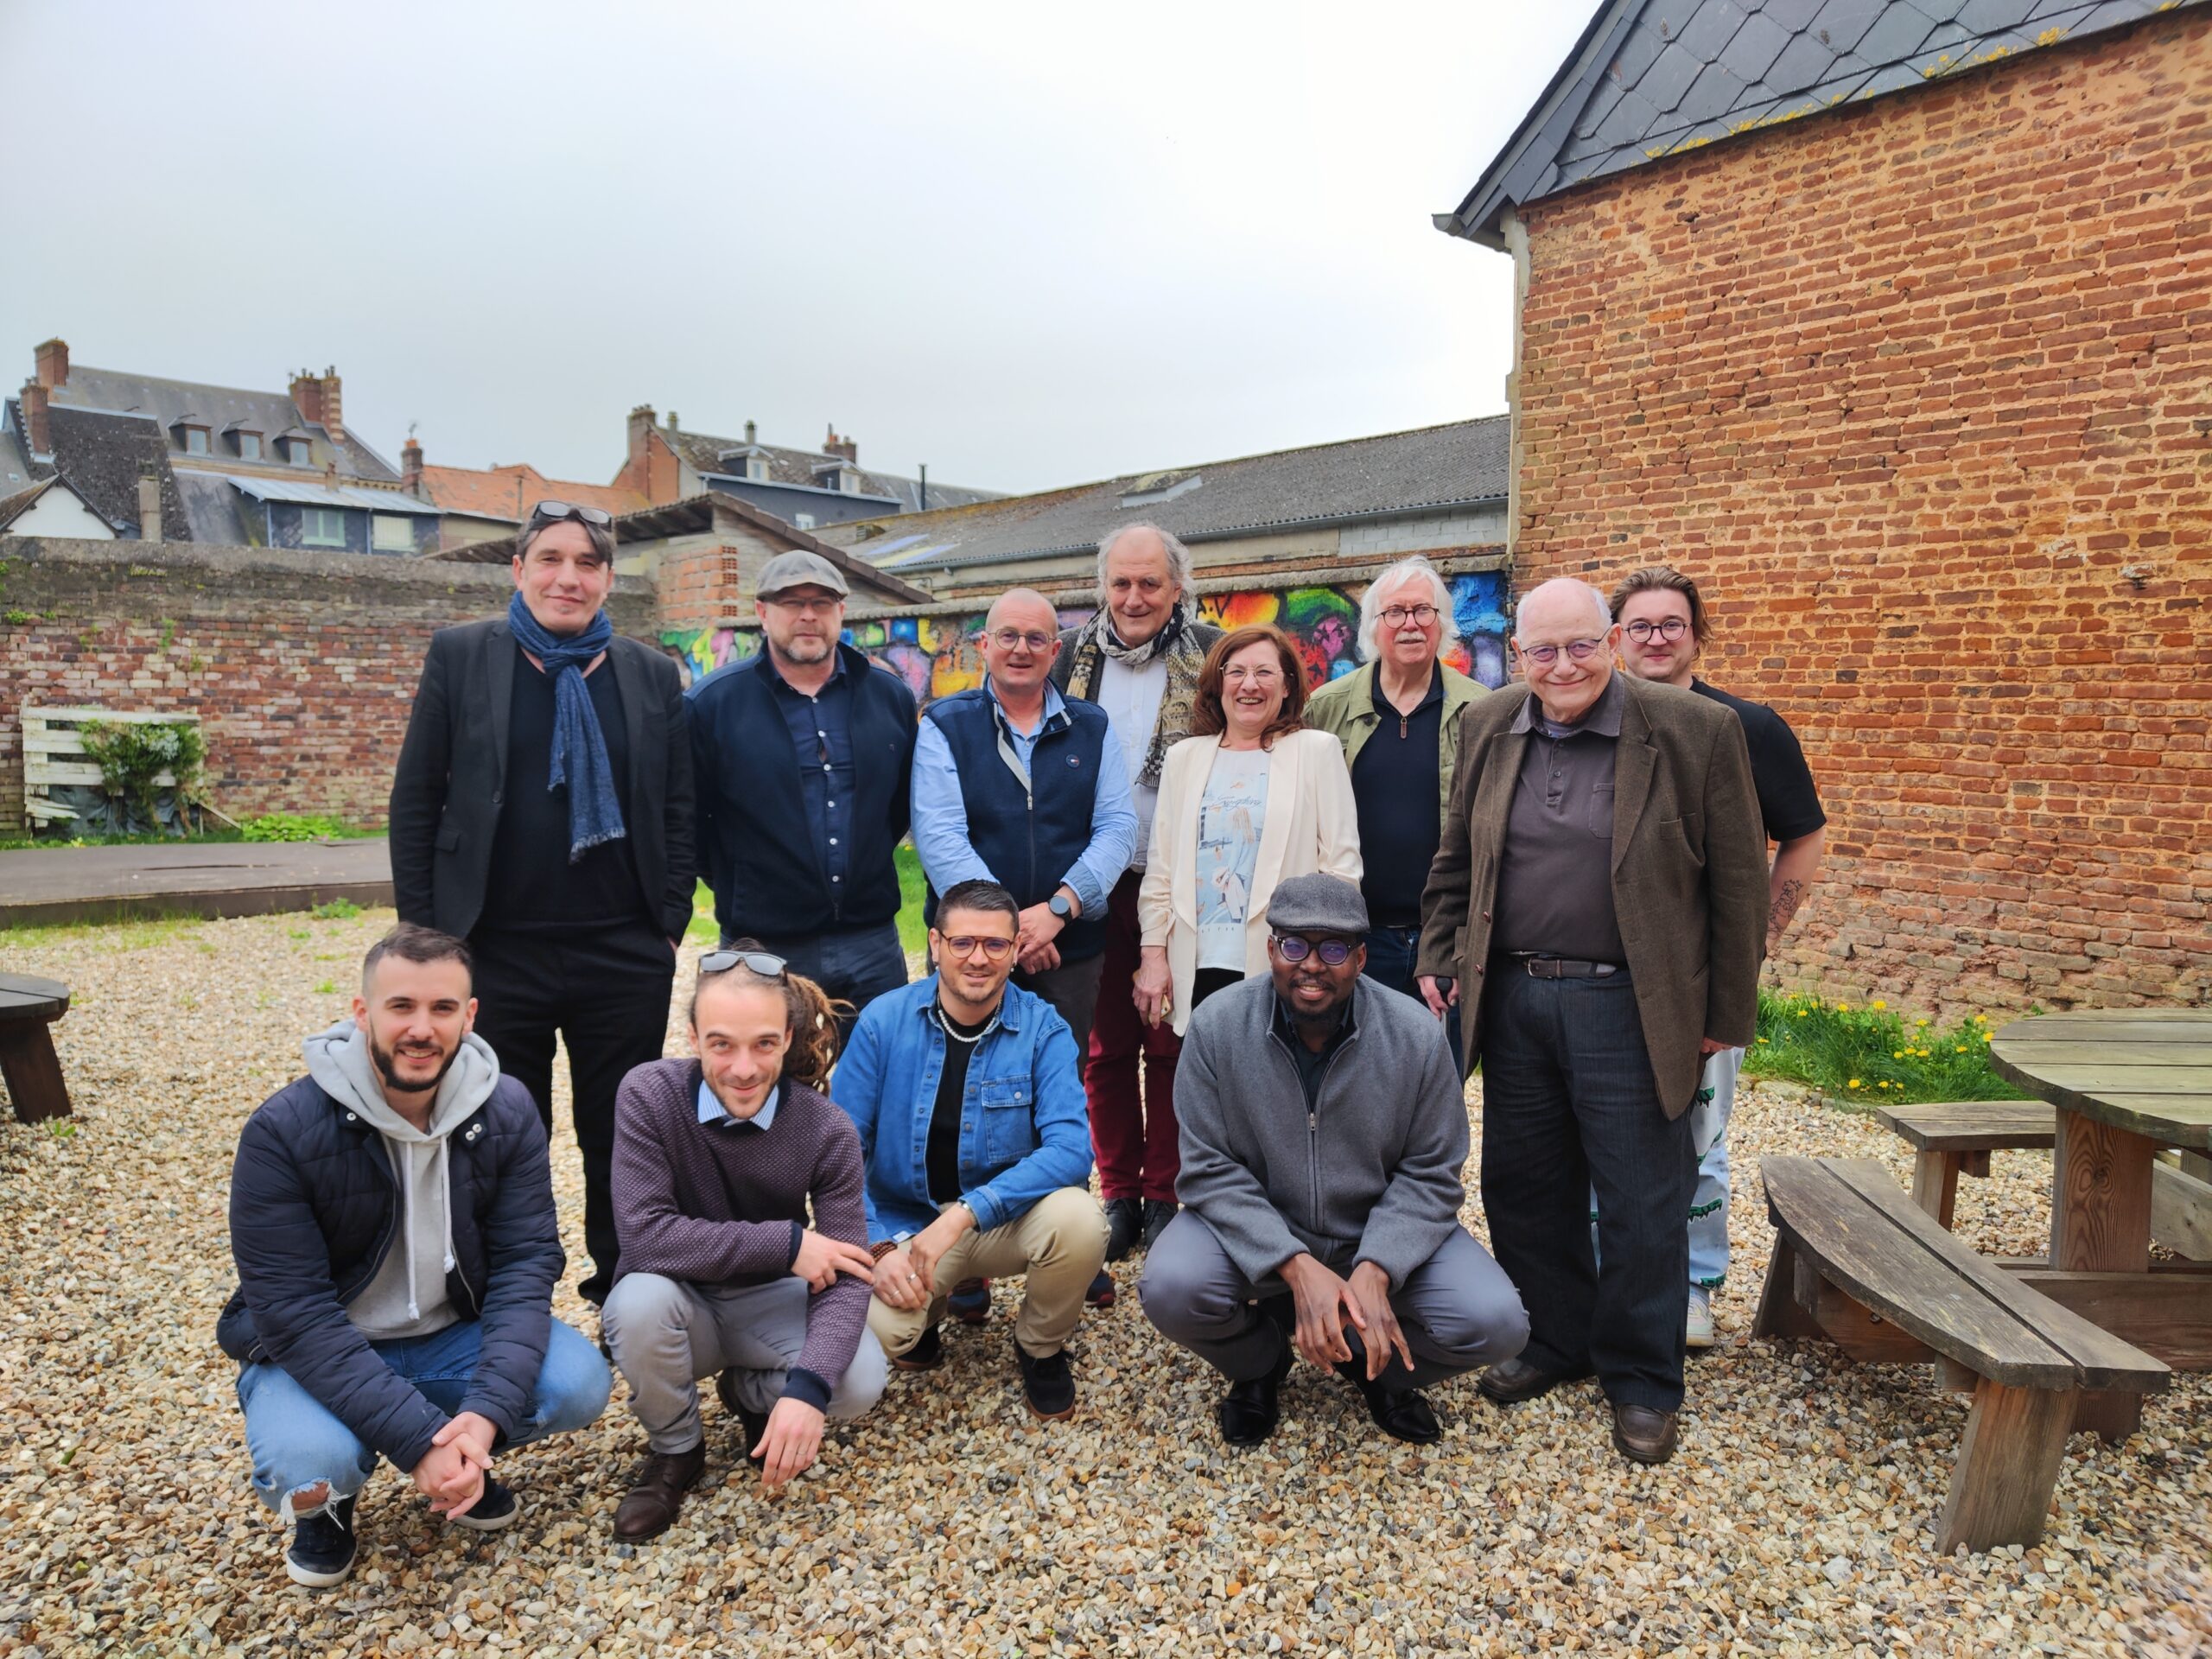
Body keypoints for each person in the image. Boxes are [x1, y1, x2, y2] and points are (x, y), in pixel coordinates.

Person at [1414, 578, 1766, 1465]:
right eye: (1541, 651)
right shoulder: (1489, 725)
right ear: (1517, 655)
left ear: (1610, 642)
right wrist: (1438, 953)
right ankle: (1554, 1340)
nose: (1561, 666)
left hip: (1632, 1001)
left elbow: (1738, 886)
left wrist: (1724, 1013)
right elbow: (1457, 855)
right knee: (1526, 1185)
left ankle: (1643, 1378)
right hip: (1516, 998)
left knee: (1645, 1197)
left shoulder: (1694, 732)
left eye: (1579, 647)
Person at [219, 925, 612, 1588]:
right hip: (317, 1348)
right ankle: (332, 1506)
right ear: (361, 1012)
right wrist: (416, 1441)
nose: (421, 1029)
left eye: (442, 1008)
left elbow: (524, 1265)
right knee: (310, 1462)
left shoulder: (507, 1109)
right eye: (400, 1006)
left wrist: (483, 1420)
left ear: (471, 1015)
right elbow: (294, 1314)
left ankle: (464, 1459)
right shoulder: (282, 1131)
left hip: (446, 1334)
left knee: (578, 1382)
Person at [389, 499, 695, 1306]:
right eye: (552, 559)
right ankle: (505, 1298)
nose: (569, 577)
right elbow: (417, 799)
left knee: (622, 1132)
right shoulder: (462, 656)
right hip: (494, 948)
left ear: (608, 579)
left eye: (588, 563)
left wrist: (668, 923)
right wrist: (428, 941)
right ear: (518, 570)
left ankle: (632, 1290)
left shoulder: (648, 671)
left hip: (621, 949)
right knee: (500, 1132)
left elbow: (677, 805)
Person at [1141, 874, 1528, 1446]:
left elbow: (1433, 1172)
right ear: (1271, 949)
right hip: (1262, 1233)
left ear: (1362, 956)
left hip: (1373, 1233)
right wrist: (1294, 1264)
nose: (1312, 965)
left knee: (1496, 1322)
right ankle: (1260, 1364)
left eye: (1334, 948)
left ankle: (1378, 1371)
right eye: (1295, 945)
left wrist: (1376, 1267)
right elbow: (1207, 1170)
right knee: (1171, 1285)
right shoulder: (1217, 1028)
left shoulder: (1415, 1037)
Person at [601, 947, 888, 1541]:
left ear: (787, 1038)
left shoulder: (825, 1128)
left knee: (858, 1380)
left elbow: (850, 1272)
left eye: (762, 1043)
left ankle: (750, 1391)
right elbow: (644, 1236)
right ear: (693, 1037)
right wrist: (786, 1245)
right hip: (679, 1300)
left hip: (765, 1301)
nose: (742, 1067)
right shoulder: (648, 1095)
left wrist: (808, 1391)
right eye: (721, 1044)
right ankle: (676, 1450)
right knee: (634, 1304)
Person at [1610, 564, 1826, 1348]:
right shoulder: (1588, 720)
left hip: (1699, 976)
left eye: (1672, 623)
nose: (1657, 638)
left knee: (1696, 1133)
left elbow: (1802, 835)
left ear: (1698, 633)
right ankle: (1610, 1279)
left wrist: (1759, 940)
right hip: (1602, 972)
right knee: (1600, 1132)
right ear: (1617, 638)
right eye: (1641, 625)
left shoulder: (1746, 727)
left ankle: (1693, 1287)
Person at [832, 880, 1109, 1421]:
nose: (977, 959)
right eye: (962, 943)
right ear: (935, 944)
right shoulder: (882, 1023)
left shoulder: (1042, 1029)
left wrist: (964, 1214)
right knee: (876, 1336)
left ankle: (1040, 1346)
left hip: (998, 1224)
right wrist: (877, 1248)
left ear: (1014, 951)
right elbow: (839, 1154)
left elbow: (1073, 1148)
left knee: (1080, 1219)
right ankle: (926, 1318)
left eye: (995, 945)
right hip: (903, 1225)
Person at [1050, 524, 1223, 1276]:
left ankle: (1167, 1194)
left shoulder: (1213, 656)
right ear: (1103, 587)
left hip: (1180, 879)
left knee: (1175, 1042)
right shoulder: (1067, 657)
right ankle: (1118, 1193)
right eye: (1120, 583)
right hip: (1091, 881)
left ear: (1177, 588)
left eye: (1150, 584)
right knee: (1106, 1047)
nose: (1133, 598)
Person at [686, 550, 918, 1047]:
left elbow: (897, 805)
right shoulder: (712, 705)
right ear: (763, 611)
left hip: (871, 941)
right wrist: (745, 879)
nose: (808, 615)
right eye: (792, 602)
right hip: (763, 942)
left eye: (822, 602)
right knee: (761, 1091)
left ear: (841, 611)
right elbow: (693, 822)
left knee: (880, 1085)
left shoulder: (889, 697)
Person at [911, 588, 1138, 1059]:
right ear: (984, 646)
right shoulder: (945, 724)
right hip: (971, 951)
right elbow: (940, 836)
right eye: (1008, 635)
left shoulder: (1092, 727)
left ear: (1055, 651)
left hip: (1068, 951)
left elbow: (1118, 827)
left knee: (1059, 1084)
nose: (1021, 649)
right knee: (959, 1083)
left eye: (1037, 639)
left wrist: (1056, 911)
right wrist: (1008, 931)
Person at [1135, 625, 1361, 1036]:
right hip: (1197, 966)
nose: (1249, 685)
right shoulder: (1185, 757)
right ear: (1218, 683)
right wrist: (1153, 954)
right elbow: (1161, 869)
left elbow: (1342, 870)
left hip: (1289, 965)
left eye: (1264, 672)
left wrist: (1318, 958)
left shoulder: (1316, 751)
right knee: (1208, 1091)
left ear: (1288, 685)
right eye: (1236, 672)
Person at [1305, 556, 1485, 1068]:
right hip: (1354, 939)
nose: (1411, 623)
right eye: (1396, 613)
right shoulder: (1325, 708)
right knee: (1349, 1084)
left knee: (1435, 1088)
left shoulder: (1483, 711)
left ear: (1442, 625)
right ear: (1374, 628)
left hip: (1445, 939)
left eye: (1424, 612)